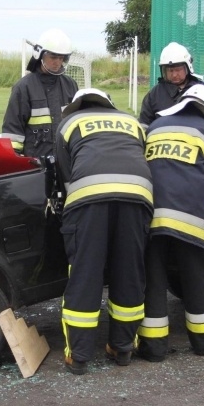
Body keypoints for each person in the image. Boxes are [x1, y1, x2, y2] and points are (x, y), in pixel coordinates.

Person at [55, 89, 153, 375]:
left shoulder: (69, 124)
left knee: (85, 273)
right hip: (137, 198)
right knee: (129, 271)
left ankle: (80, 356)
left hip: (89, 200)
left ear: (76, 106)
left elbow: (65, 173)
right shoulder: (131, 121)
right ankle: (122, 348)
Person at [138, 85, 204, 362]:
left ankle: (153, 349)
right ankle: (203, 344)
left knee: (152, 279)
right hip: (189, 217)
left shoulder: (155, 127)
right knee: (198, 277)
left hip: (150, 215)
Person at [2, 28, 78, 158]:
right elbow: (13, 130)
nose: (57, 62)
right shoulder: (24, 87)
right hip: (35, 164)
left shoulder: (70, 85)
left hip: (66, 162)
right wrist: (15, 159)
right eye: (53, 57)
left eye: (61, 58)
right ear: (40, 55)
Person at [139, 42, 204, 126]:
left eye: (178, 70)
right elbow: (144, 125)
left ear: (188, 67)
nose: (174, 75)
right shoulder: (154, 95)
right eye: (170, 70)